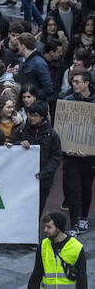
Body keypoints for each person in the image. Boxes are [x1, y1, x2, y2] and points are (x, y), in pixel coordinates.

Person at [11, 100, 62, 214]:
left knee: (37, 209)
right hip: (23, 177)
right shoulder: (21, 130)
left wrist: (44, 173)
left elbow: (56, 157)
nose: (31, 118)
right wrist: (19, 143)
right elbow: (10, 144)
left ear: (43, 117)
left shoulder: (52, 135)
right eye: (30, 114)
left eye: (35, 115)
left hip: (43, 180)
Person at [61, 70, 95, 235]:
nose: (73, 84)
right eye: (72, 82)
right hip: (72, 155)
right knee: (73, 188)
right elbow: (63, 129)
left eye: (76, 82)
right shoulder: (68, 101)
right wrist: (68, 148)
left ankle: (83, 218)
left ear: (86, 83)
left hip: (90, 156)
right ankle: (74, 224)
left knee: (86, 187)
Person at [27, 211, 87, 289]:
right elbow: (36, 274)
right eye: (45, 226)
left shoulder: (77, 248)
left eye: (49, 227)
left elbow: (82, 278)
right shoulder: (43, 246)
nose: (45, 230)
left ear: (58, 228)